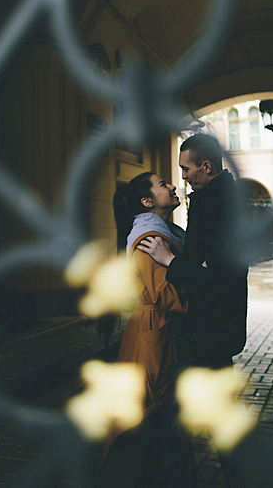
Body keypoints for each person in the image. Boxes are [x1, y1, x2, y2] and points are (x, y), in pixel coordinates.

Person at [137, 132, 248, 486]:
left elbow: (218, 276)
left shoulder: (218, 205)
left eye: (186, 168)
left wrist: (170, 260)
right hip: (212, 330)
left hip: (207, 330)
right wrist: (193, 266)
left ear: (207, 166)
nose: (181, 176)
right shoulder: (211, 199)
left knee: (172, 423)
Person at [99, 171, 190, 487]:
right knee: (152, 413)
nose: (173, 185)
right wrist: (200, 290)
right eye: (164, 184)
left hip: (153, 329)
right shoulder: (151, 237)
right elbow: (159, 294)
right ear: (148, 201)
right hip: (154, 329)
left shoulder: (162, 231)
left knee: (153, 414)